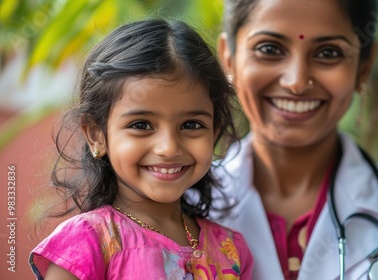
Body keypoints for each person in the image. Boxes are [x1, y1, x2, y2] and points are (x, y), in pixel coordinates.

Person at [212, 0, 378, 279]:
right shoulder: (177, 204)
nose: (297, 82)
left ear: (364, 67)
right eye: (269, 49)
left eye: (328, 52)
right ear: (228, 57)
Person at [29, 19, 253, 280]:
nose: (169, 148)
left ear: (214, 132)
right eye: (141, 125)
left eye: (191, 125)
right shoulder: (86, 246)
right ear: (96, 135)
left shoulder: (232, 250)